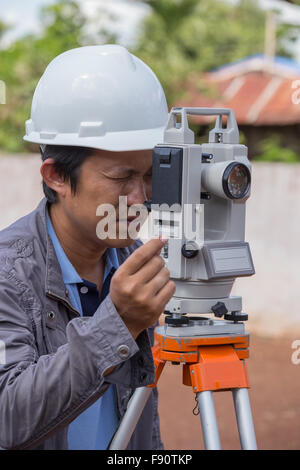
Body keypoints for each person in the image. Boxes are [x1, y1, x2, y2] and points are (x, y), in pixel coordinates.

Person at [0, 45, 175, 450]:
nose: (139, 198)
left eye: (150, 176)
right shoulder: (8, 274)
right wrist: (120, 323)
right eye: (122, 177)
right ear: (57, 175)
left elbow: (141, 423)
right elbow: (7, 415)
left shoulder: (135, 262)